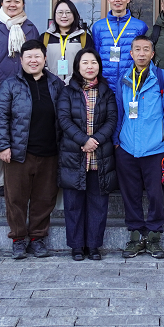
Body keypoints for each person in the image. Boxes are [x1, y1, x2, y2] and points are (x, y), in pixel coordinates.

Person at [0, 39, 65, 259]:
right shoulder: (10, 85)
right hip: (18, 153)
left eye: (37, 56)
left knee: (44, 198)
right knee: (16, 198)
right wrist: (3, 145)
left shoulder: (56, 84)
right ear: (21, 59)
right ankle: (18, 239)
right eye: (29, 57)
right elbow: (0, 117)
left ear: (44, 58)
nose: (33, 61)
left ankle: (37, 238)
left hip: (49, 151)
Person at [115, 35, 164, 260]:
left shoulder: (163, 78)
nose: (141, 53)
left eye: (146, 49)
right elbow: (119, 111)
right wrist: (116, 139)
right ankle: (135, 235)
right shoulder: (124, 78)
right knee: (130, 193)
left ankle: (153, 236)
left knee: (155, 194)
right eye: (137, 49)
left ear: (152, 53)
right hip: (127, 146)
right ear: (131, 53)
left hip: (155, 147)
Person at [57, 48, 118, 261]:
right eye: (85, 62)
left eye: (93, 62)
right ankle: (76, 246)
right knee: (73, 204)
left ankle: (93, 246)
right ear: (77, 66)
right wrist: (84, 140)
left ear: (99, 66)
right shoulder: (67, 91)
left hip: (100, 157)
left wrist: (95, 140)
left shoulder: (106, 91)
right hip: (74, 155)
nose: (90, 66)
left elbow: (112, 119)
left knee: (98, 205)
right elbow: (64, 119)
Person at [0, 0, 40, 192]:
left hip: (24, 89)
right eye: (8, 1)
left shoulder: (30, 28)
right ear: (2, 3)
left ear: (23, 4)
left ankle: (19, 177)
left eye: (17, 1)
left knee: (19, 131)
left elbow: (35, 58)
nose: (12, 5)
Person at [91, 0, 148, 97]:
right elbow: (95, 56)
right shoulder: (98, 27)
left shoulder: (140, 26)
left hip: (132, 85)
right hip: (105, 87)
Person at [43, 0, 90, 84]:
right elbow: (41, 63)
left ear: (74, 15)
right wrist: (53, 80)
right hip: (51, 85)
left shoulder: (84, 37)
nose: (64, 16)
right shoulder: (45, 37)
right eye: (60, 12)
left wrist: (71, 80)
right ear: (55, 15)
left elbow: (88, 63)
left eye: (68, 12)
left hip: (76, 85)